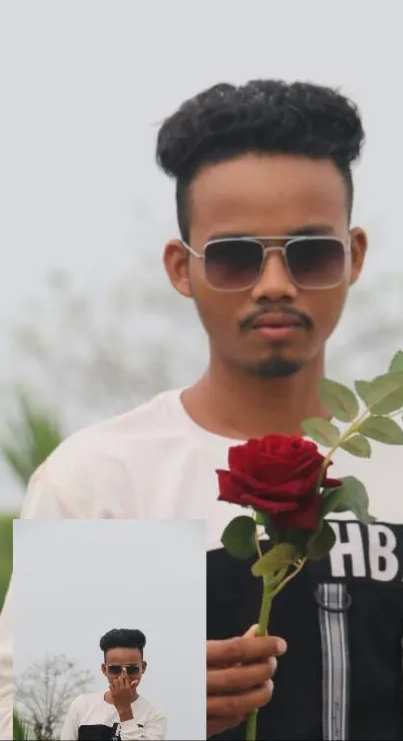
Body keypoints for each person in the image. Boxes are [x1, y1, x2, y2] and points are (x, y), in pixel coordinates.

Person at [1, 79, 402, 740]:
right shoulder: (110, 479)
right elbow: (23, 715)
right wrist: (151, 711)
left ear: (352, 256)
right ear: (180, 268)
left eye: (311, 252)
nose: (274, 284)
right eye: (234, 257)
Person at [60, 628, 166, 740]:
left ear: (143, 668)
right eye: (115, 669)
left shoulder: (153, 715)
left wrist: (125, 710)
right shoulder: (82, 705)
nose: (123, 676)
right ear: (104, 669)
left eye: (132, 669)